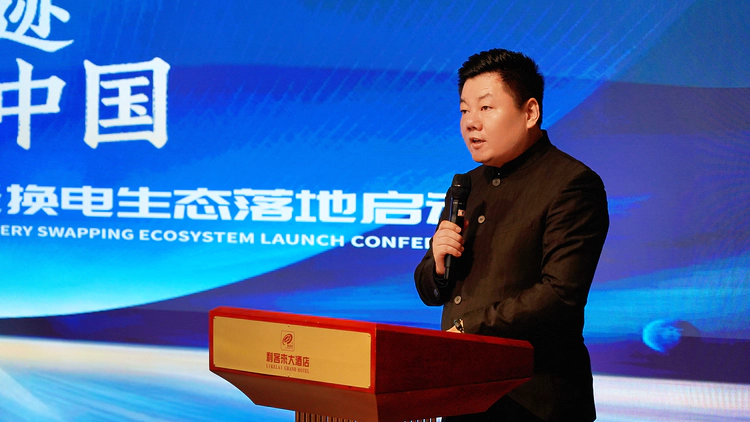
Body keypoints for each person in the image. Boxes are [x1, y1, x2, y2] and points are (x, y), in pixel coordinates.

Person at [414, 48, 609, 421]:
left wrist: (466, 329)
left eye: (486, 108)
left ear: (530, 112)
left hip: (534, 400)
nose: (471, 122)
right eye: (464, 110)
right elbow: (429, 291)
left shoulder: (571, 183)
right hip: (463, 393)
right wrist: (437, 266)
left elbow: (560, 295)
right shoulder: (466, 186)